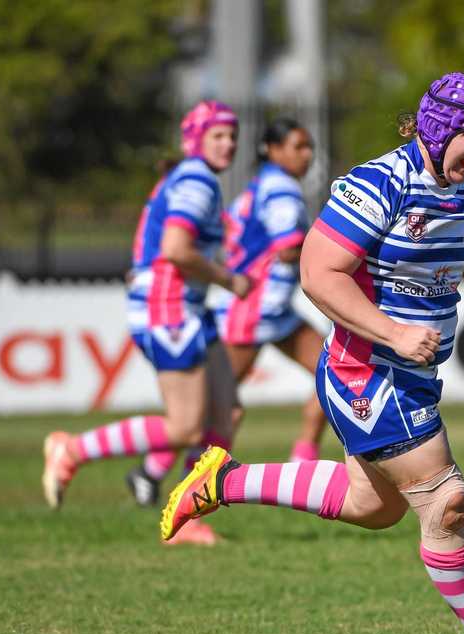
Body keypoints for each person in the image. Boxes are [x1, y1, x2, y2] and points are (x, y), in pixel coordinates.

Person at [159, 72, 464, 634]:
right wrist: (394, 332)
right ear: (438, 128)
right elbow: (318, 273)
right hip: (365, 368)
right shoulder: (378, 184)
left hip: (413, 374)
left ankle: (222, 481)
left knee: (373, 507)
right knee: (446, 500)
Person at [41, 100, 249, 547]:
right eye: (218, 135)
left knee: (227, 412)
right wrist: (229, 279)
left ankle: (187, 516)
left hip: (187, 305)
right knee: (185, 428)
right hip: (168, 305)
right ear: (193, 141)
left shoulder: (193, 178)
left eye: (232, 134)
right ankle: (72, 450)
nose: (229, 143)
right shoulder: (195, 179)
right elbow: (176, 248)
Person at [125, 118, 327, 506]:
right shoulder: (280, 188)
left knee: (333, 372)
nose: (307, 155)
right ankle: (158, 475)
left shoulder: (260, 186)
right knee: (219, 412)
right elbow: (287, 248)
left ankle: (303, 460)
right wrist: (345, 248)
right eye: (298, 146)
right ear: (273, 149)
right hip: (252, 311)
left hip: (273, 310)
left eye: (309, 147)